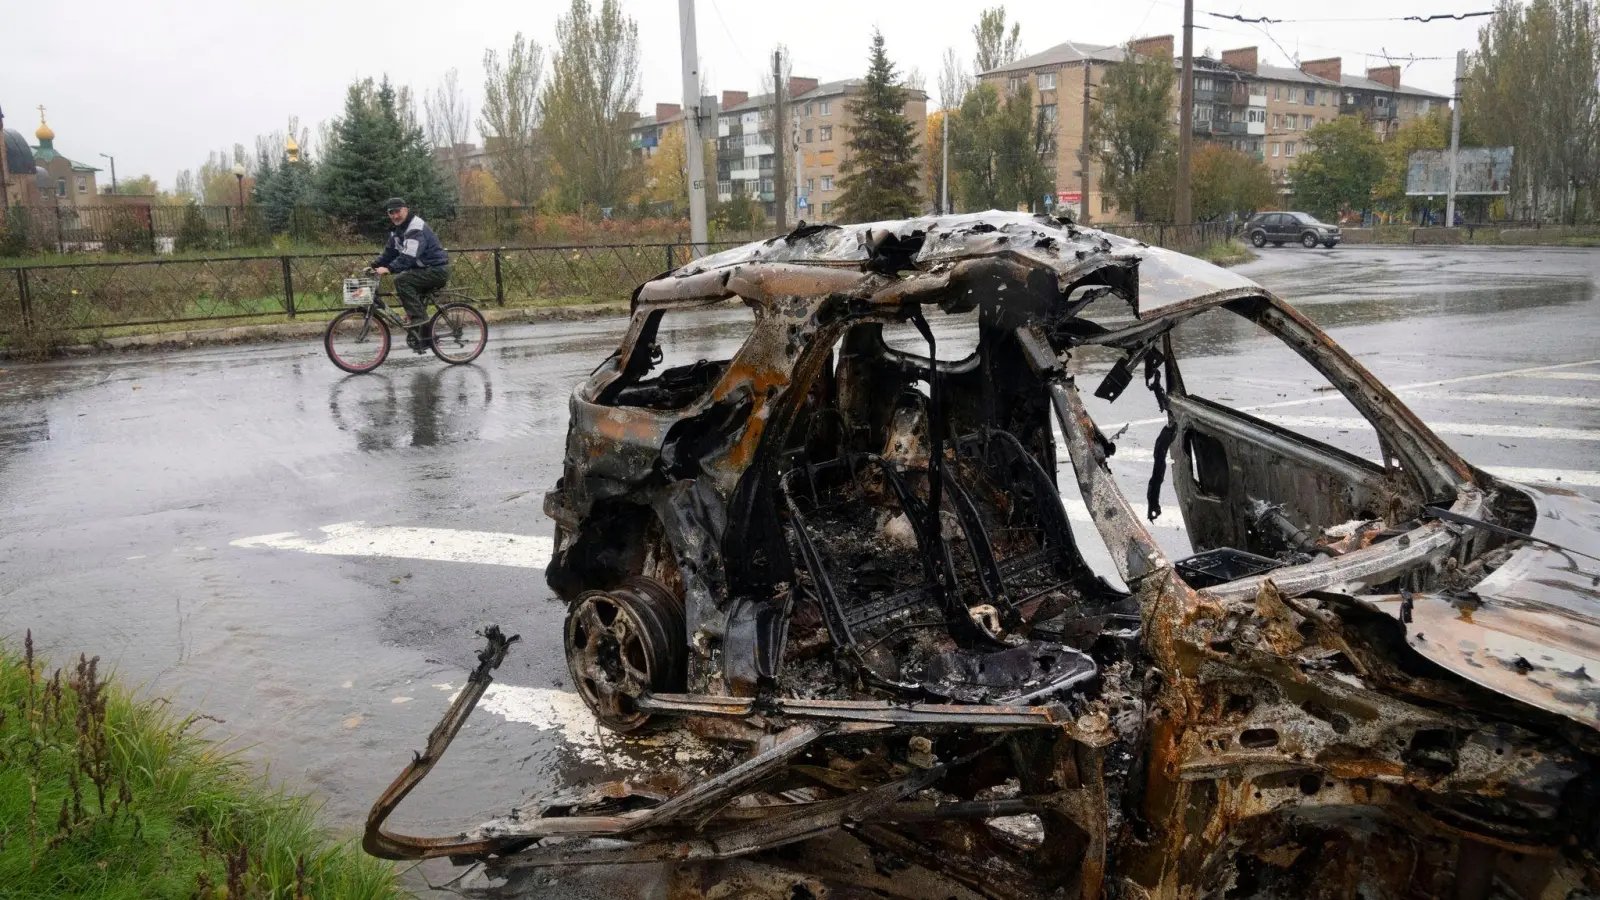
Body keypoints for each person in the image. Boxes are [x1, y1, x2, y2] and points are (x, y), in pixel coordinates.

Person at [369, 197, 450, 351]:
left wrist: (389, 269)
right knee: (412, 294)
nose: (394, 216)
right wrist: (374, 265)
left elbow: (409, 257)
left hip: (437, 269)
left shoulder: (415, 228)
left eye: (397, 211)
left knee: (402, 280)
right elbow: (390, 253)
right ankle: (425, 339)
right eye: (391, 213)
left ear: (406, 210)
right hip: (423, 270)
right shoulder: (397, 230)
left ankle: (418, 318)